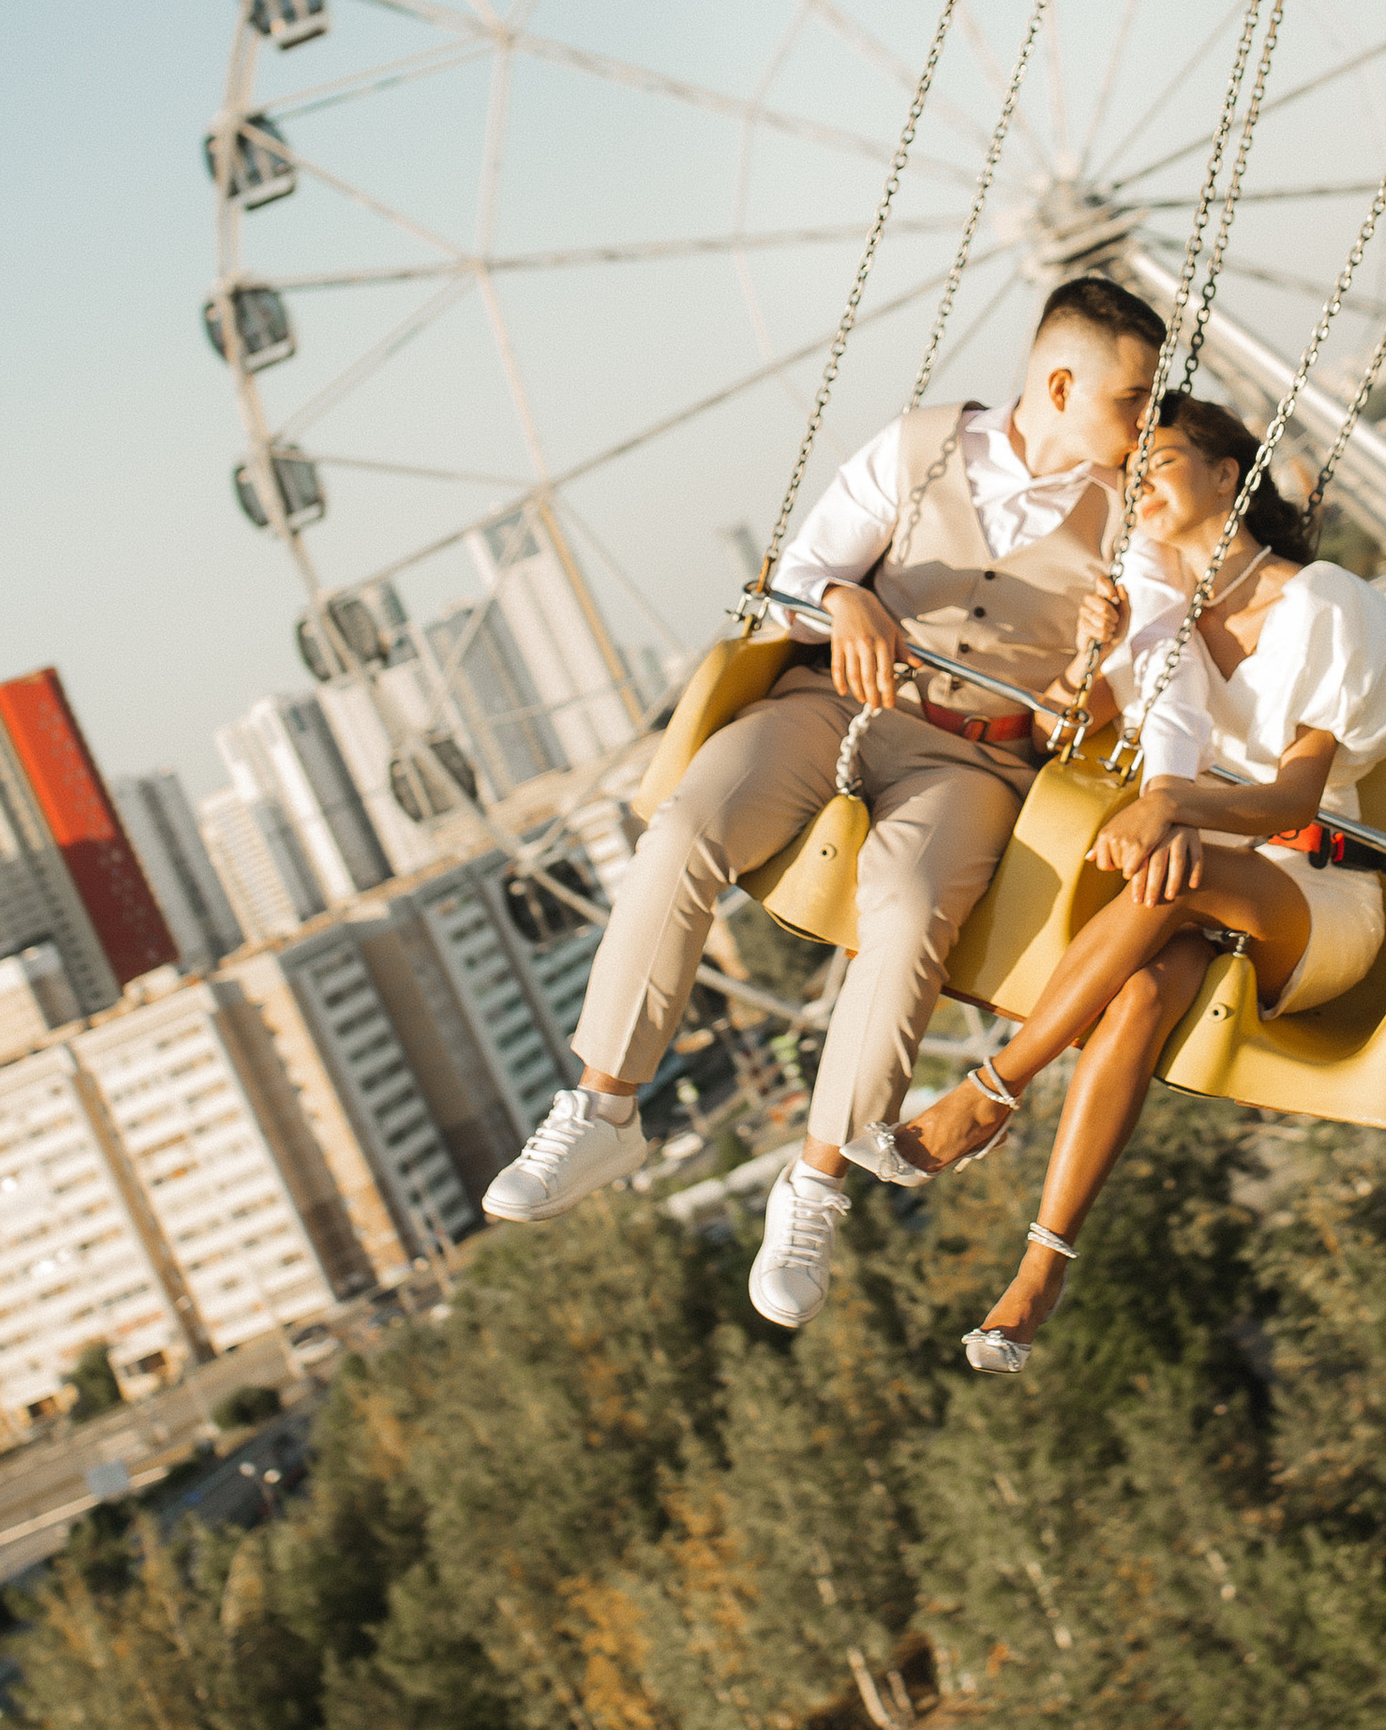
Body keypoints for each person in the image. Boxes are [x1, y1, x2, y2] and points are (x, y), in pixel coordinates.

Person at [482, 278, 1209, 1332]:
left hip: (971, 762)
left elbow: (1168, 681)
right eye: (1133, 402)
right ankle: (601, 1106)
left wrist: (1147, 747)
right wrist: (842, 597)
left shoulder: (1125, 526)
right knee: (687, 826)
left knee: (909, 910)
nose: (1148, 426)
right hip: (831, 706)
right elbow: (793, 578)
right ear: (1059, 383)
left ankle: (814, 1183)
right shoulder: (913, 450)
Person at [866, 393, 1386, 1373]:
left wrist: (1177, 810)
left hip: (1320, 895)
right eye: (1130, 475)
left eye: (1159, 462)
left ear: (1227, 474)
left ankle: (994, 1090)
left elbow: (1294, 797)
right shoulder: (1159, 613)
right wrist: (1098, 654)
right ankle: (1041, 1272)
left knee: (1176, 870)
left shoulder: (1326, 605)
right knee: (1136, 997)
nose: (1138, 488)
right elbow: (1062, 735)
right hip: (1194, 891)